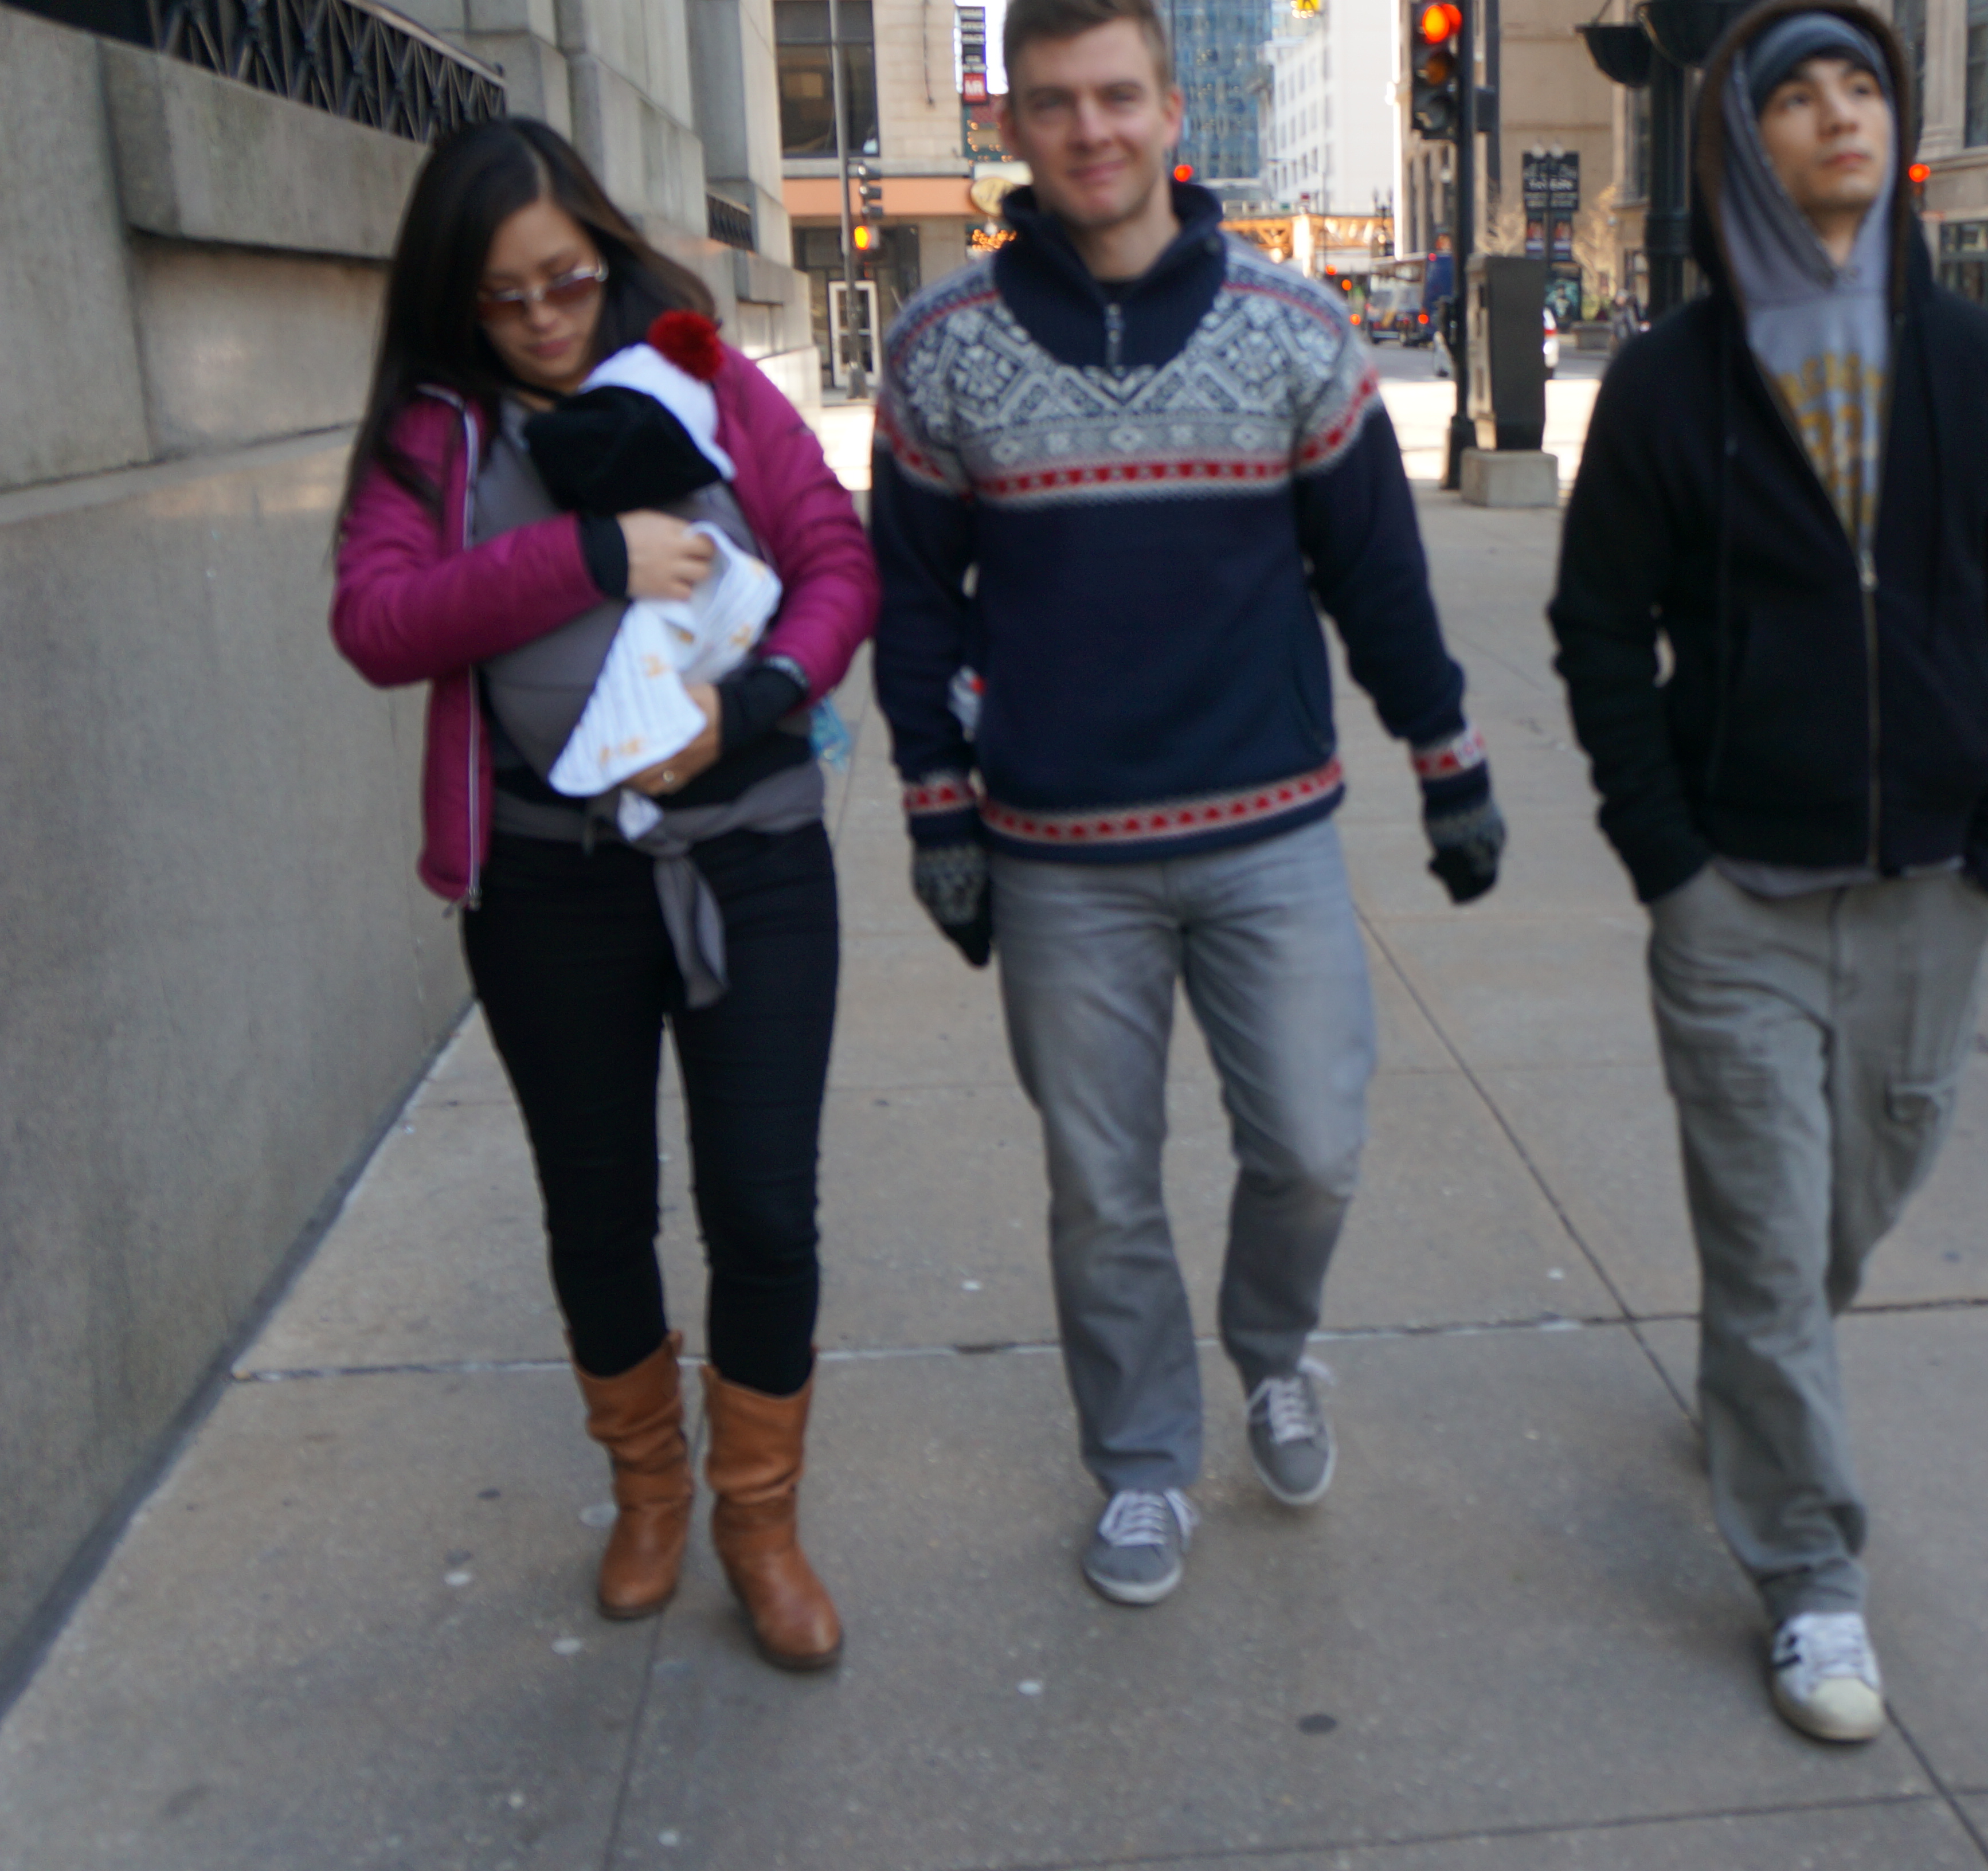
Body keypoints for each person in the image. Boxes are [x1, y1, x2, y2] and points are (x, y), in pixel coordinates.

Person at [872, 0, 1504, 1607]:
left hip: (1267, 837)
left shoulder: (1295, 325)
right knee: (1103, 1191)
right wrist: (938, 811)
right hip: (1057, 856)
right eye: (1056, 102)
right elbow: (915, 601)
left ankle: (1272, 1351)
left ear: (1172, 112)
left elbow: (1375, 571)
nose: (1091, 129)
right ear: (1011, 127)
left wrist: (1447, 760)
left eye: (1118, 97)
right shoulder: (940, 350)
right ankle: (1145, 1464)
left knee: (1313, 1148)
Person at [1548, 0, 1988, 1743]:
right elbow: (1598, 628)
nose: (1844, 113)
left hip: (1935, 884)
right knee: (1771, 1248)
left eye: (1866, 85)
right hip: (1738, 897)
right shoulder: (1670, 382)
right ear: (1740, 141)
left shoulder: (1979, 365)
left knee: (1851, 1210)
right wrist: (1666, 857)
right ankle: (1811, 1579)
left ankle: (1752, 1374)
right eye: (1801, 94)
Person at [331, 118, 879, 1672]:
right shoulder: (435, 436)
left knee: (761, 1204)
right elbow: (377, 623)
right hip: (546, 886)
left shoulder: (704, 379)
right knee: (596, 1206)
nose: (544, 320)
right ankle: (647, 1493)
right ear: (454, 299)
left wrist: (754, 703)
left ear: (606, 249)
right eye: (502, 297)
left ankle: (758, 1522)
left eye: (566, 279)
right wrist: (592, 555)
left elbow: (837, 564)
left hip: (752, 859)